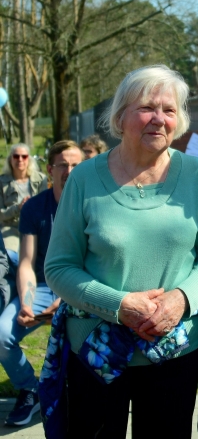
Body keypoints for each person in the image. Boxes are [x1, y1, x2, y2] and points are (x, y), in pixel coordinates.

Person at [44, 65, 198, 437]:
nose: (159, 118)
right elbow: (59, 267)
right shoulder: (83, 179)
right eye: (146, 107)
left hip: (175, 349)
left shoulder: (195, 174)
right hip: (96, 350)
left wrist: (180, 299)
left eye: (169, 110)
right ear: (120, 117)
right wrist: (119, 304)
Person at [0, 140, 81, 426]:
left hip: (85, 288)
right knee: (2, 335)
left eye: (75, 165)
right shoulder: (35, 207)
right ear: (49, 170)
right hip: (45, 287)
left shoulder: (93, 205)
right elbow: (26, 262)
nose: (69, 171)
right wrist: (26, 303)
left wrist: (66, 299)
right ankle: (30, 389)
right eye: (63, 165)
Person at [0, 143, 47, 253]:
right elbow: (1, 215)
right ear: (10, 159)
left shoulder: (41, 179)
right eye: (16, 156)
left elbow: (45, 207)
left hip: (36, 228)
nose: (20, 159)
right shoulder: (1, 182)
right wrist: (18, 207)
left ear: (29, 159)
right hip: (11, 228)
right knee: (10, 255)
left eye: (24, 156)